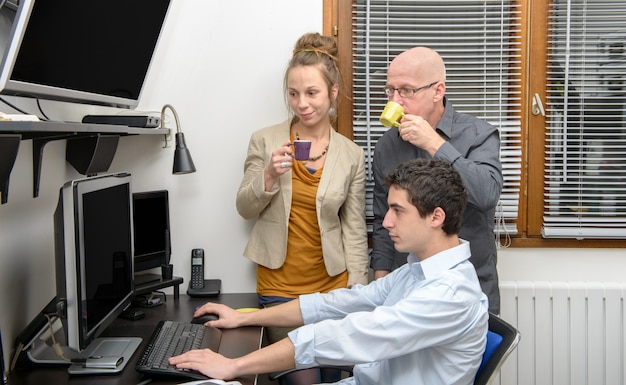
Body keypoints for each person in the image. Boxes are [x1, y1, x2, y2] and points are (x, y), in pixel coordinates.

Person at [170, 159, 488, 385]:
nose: (387, 222)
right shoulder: (416, 271)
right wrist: (245, 317)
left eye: (398, 211)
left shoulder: (449, 294)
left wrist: (233, 365)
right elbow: (334, 305)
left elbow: (346, 334)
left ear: (436, 217)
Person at [234, 32, 369, 384]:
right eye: (294, 94)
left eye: (312, 93)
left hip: (334, 290)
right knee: (302, 379)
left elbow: (354, 228)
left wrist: (358, 291)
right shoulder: (265, 141)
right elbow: (244, 207)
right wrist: (267, 176)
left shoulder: (351, 155)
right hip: (280, 289)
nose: (302, 104)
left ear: (333, 92)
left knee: (337, 379)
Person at [370, 46, 503, 314]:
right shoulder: (387, 145)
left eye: (406, 90)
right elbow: (383, 217)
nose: (395, 101)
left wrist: (434, 143)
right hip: (406, 286)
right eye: (390, 91)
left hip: (469, 288)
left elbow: (487, 193)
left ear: (438, 91)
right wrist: (381, 282)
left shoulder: (480, 135)